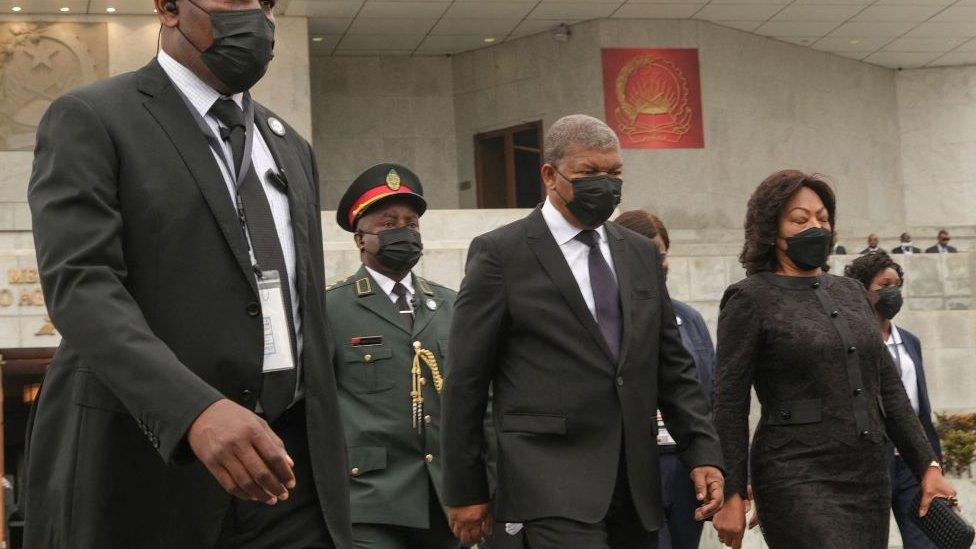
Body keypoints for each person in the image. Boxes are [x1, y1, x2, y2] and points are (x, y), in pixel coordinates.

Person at [23, 0, 353, 547]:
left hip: (288, 480)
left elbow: (303, 309)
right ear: (170, 7)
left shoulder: (290, 145)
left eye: (267, 4)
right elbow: (83, 286)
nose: (256, 17)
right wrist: (194, 410)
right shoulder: (93, 116)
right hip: (149, 472)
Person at [441, 114, 725, 549]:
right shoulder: (501, 254)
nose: (605, 185)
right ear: (550, 175)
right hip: (548, 482)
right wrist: (466, 489)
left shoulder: (639, 255)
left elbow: (674, 368)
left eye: (614, 173)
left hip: (635, 485)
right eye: (589, 174)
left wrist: (703, 453)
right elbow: (466, 380)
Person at [710, 170, 957, 549]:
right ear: (771, 231)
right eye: (800, 219)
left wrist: (928, 466)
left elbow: (889, 390)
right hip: (795, 476)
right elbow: (729, 402)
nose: (815, 226)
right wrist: (731, 491)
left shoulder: (852, 292)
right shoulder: (749, 298)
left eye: (823, 218)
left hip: (868, 477)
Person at [327, 164, 462, 549]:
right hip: (368, 497)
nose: (404, 231)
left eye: (412, 223)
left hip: (443, 497)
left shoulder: (451, 305)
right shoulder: (332, 308)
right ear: (360, 238)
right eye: (389, 223)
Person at [614, 210, 716, 549]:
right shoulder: (607, 322)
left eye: (660, 254)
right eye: (645, 254)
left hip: (685, 469)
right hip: (635, 468)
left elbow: (710, 397)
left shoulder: (690, 319)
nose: (655, 262)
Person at [844, 252, 943, 549]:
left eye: (898, 284)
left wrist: (933, 463)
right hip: (871, 461)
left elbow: (920, 408)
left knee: (925, 542)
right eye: (884, 284)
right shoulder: (849, 344)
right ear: (863, 290)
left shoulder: (910, 341)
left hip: (912, 461)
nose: (893, 292)